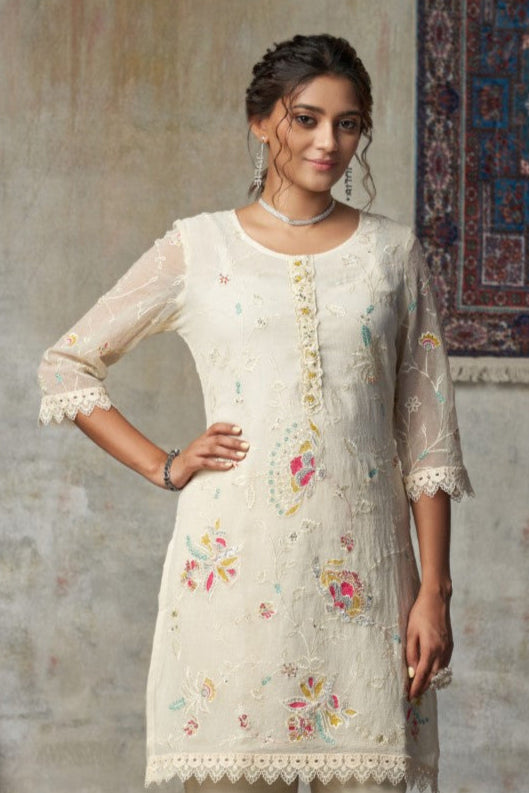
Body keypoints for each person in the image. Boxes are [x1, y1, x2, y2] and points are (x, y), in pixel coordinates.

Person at [38, 33, 473, 793]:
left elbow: (425, 440)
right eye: (305, 119)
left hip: (368, 588)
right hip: (234, 584)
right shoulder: (200, 248)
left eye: (347, 124)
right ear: (261, 120)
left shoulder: (391, 256)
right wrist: (164, 464)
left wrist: (432, 591)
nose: (327, 142)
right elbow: (66, 363)